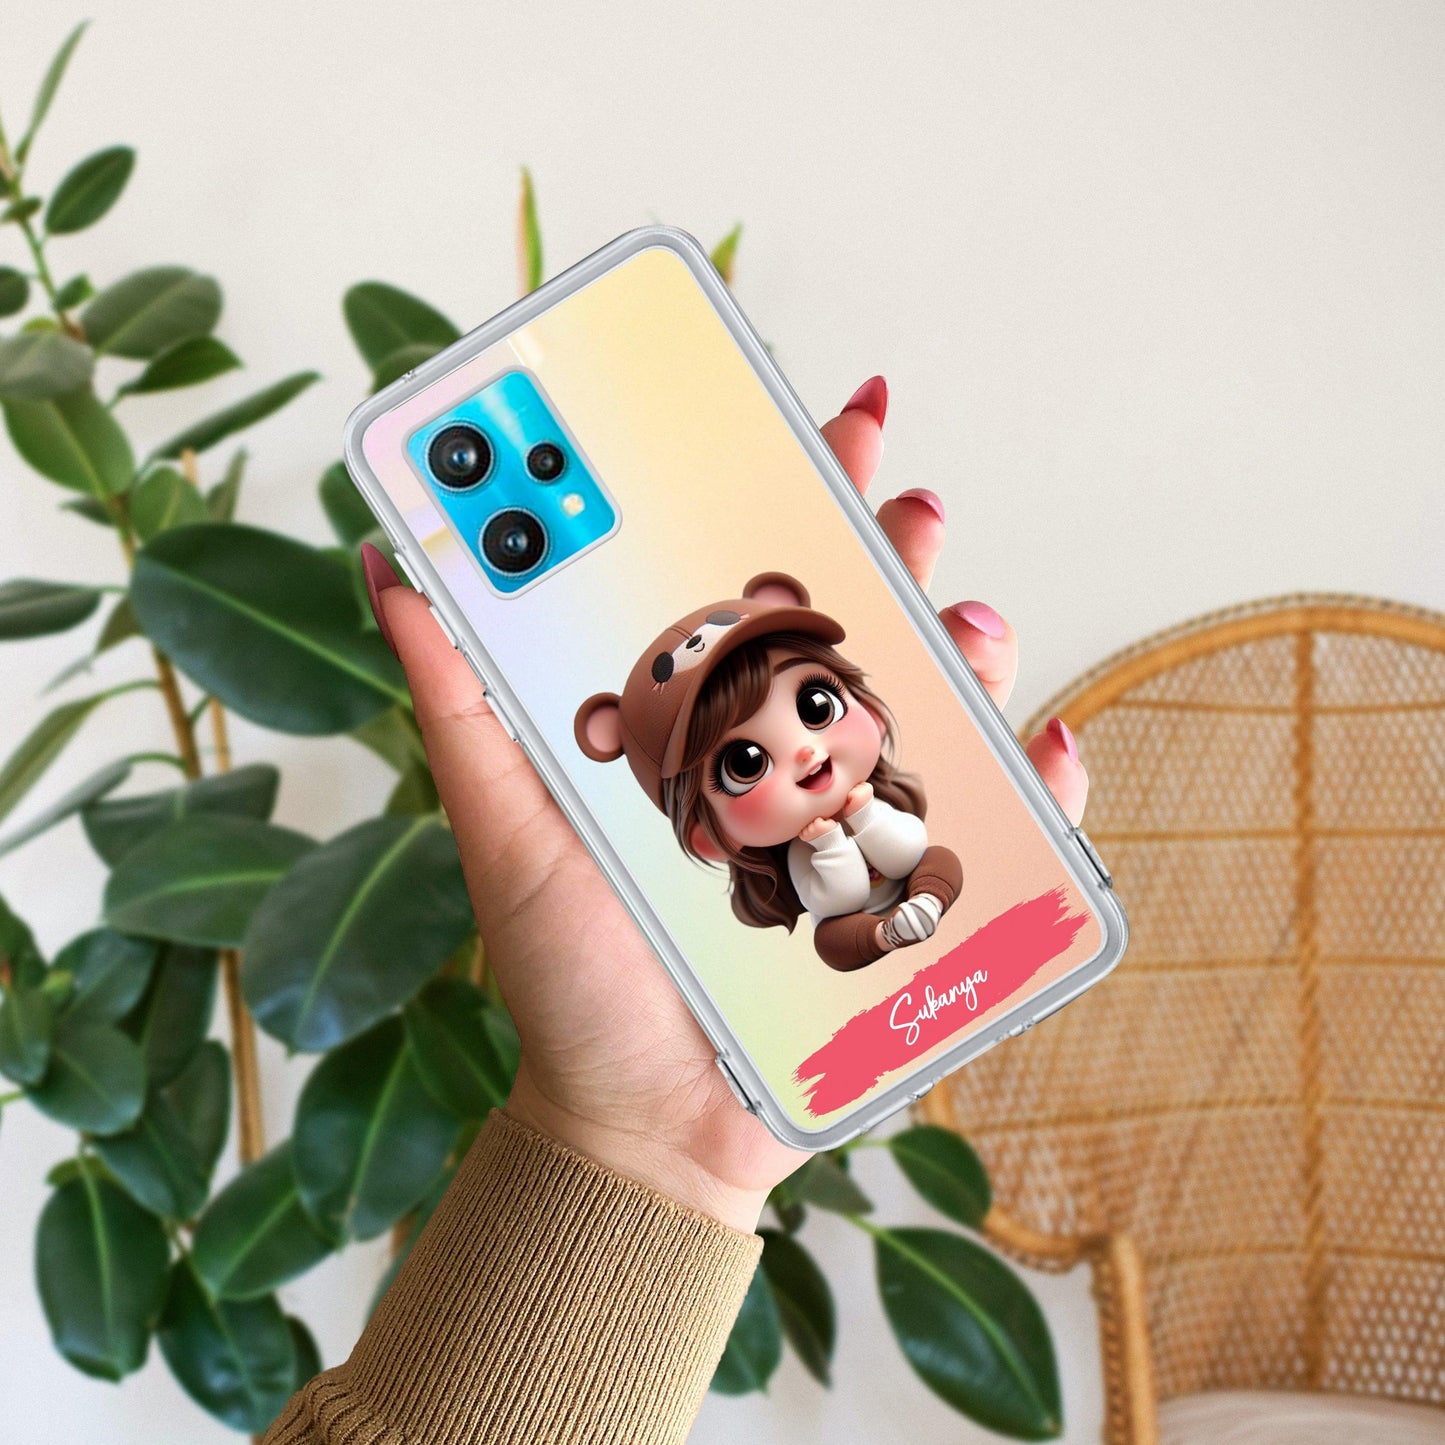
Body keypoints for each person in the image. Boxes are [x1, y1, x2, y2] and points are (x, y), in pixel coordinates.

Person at [262, 376, 1089, 1445]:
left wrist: (644, 1149)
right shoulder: (780, 875)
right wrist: (647, 1150)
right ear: (703, 835)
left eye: (816, 701)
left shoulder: (880, 800)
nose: (800, 749)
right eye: (742, 761)